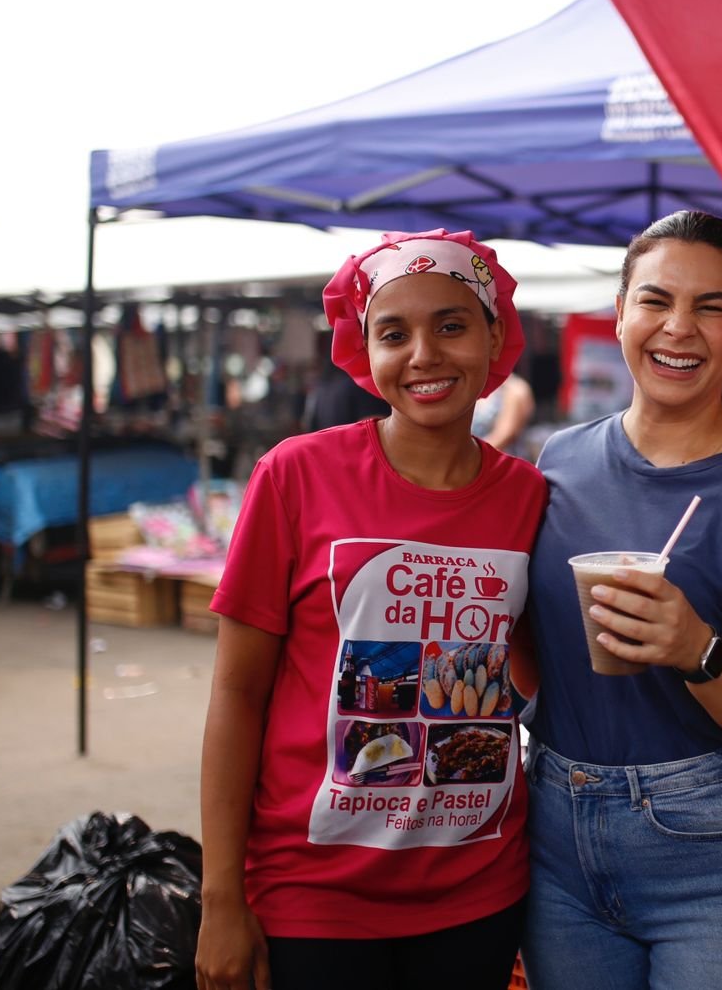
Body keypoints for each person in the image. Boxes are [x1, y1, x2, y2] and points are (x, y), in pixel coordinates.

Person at [196, 231, 544, 990]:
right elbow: (236, 694)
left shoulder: (531, 497)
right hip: (314, 896)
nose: (424, 354)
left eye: (452, 324)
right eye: (394, 333)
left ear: (494, 339)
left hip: (479, 891)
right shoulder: (294, 476)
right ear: (366, 352)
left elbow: (529, 672)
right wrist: (221, 893)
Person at [521, 210, 722, 990]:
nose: (679, 329)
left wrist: (697, 647)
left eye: (711, 307)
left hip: (720, 854)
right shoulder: (560, 460)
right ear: (621, 312)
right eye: (656, 301)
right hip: (557, 833)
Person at [471, 370, 535, 454]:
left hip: (501, 460)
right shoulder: (473, 386)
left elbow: (505, 435)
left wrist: (469, 456)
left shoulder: (515, 390)